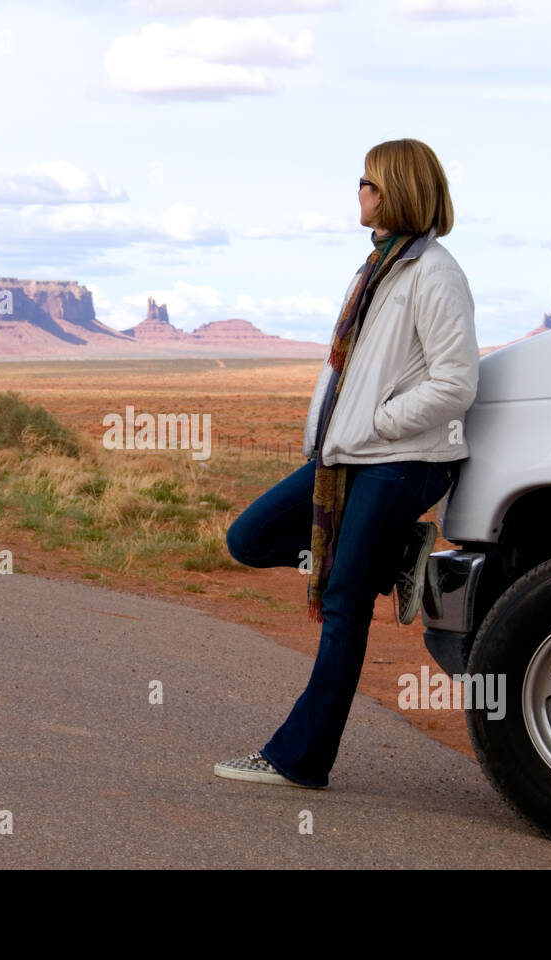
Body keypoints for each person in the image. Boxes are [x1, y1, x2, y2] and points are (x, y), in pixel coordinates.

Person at [214, 138, 479, 789]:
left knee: (344, 603)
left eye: (368, 182)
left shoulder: (434, 273)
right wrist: (340, 435)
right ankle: (388, 558)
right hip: (351, 457)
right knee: (249, 537)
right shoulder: (379, 267)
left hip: (404, 458)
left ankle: (300, 759)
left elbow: (456, 382)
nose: (358, 192)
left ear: (397, 191)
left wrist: (378, 423)